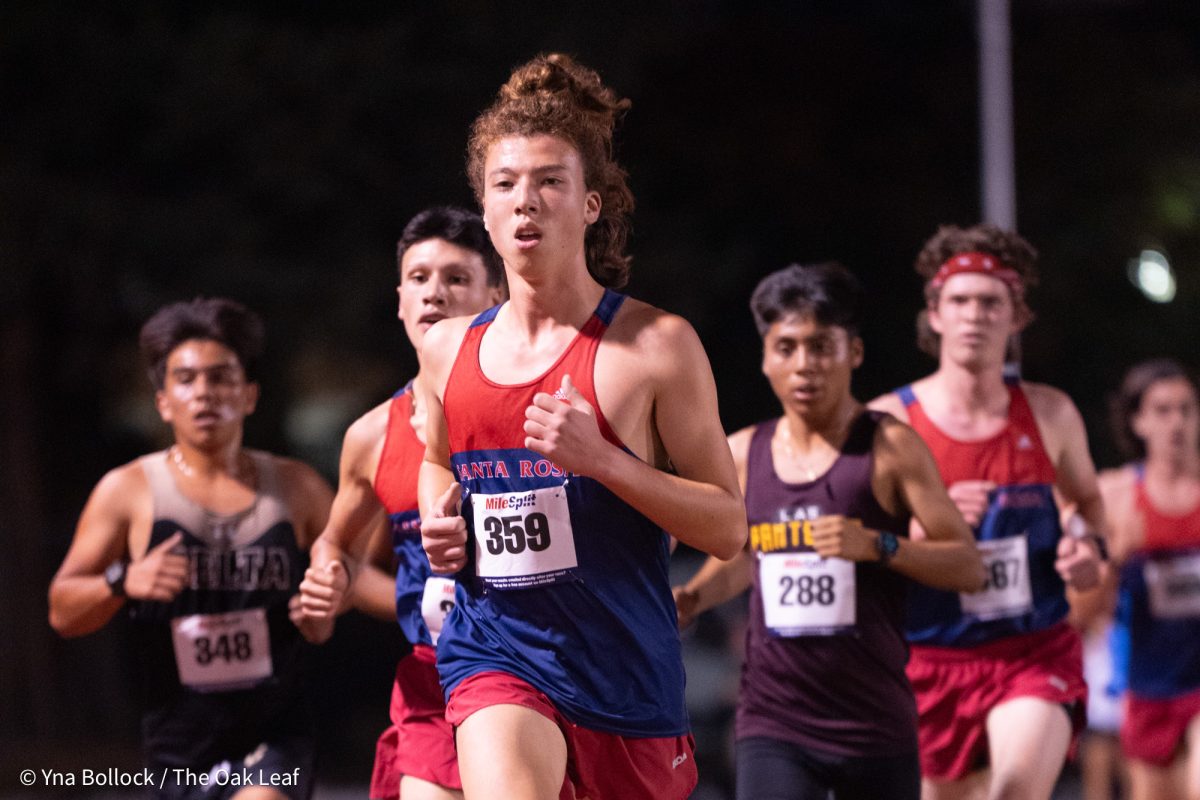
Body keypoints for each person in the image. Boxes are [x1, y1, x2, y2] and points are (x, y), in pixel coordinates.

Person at [417, 53, 746, 800]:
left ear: (591, 204)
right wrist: (442, 510)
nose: (524, 202)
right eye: (504, 185)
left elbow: (727, 528)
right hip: (496, 652)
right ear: (485, 208)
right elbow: (438, 459)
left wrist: (606, 462)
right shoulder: (446, 349)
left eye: (549, 182)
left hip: (625, 679)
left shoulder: (656, 348)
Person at [673, 262, 984, 800]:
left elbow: (969, 566)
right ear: (767, 359)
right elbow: (747, 556)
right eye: (787, 347)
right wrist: (694, 596)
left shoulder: (890, 447)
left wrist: (880, 545)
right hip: (775, 723)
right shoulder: (746, 452)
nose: (804, 366)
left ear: (854, 354)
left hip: (875, 725)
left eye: (821, 347)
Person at [48, 297, 333, 800]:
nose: (205, 393)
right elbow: (62, 609)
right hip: (177, 745)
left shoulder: (297, 487)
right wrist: (122, 580)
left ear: (249, 395)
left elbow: (356, 564)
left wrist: (330, 597)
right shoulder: (129, 490)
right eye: (186, 379)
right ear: (163, 401)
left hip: (275, 737)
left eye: (221, 377)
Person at [870, 223, 1107, 800]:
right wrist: (922, 530)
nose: (974, 315)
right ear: (935, 314)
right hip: (925, 659)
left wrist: (1089, 545)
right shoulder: (888, 423)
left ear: (1017, 316)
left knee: (1014, 790)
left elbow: (1090, 500)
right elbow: (852, 544)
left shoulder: (1050, 414)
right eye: (959, 300)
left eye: (990, 301)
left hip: (1031, 649)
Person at [298, 206, 504, 800]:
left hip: (539, 672)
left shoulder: (535, 409)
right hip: (432, 684)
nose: (434, 294)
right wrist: (327, 581)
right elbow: (337, 546)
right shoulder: (371, 435)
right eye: (418, 279)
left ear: (497, 292)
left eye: (456, 279)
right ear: (398, 299)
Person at [1098, 359, 1200, 800]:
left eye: (1186, 409)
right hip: (1147, 687)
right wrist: (1117, 555)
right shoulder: (1115, 495)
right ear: (1137, 420)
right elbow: (1082, 612)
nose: (1176, 422)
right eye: (1162, 410)